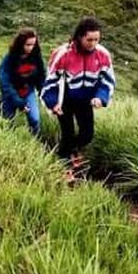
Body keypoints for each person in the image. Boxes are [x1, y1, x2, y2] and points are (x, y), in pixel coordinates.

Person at [40, 17, 116, 182]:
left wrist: (100, 98)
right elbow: (50, 81)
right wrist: (53, 103)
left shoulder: (103, 55)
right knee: (67, 135)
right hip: (65, 100)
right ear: (79, 37)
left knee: (87, 134)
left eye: (97, 39)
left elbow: (108, 80)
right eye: (89, 39)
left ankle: (67, 154)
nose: (93, 43)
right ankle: (63, 169)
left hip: (87, 100)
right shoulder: (63, 54)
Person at [0, 27, 46, 136]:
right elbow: (5, 82)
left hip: (28, 91)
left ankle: (34, 141)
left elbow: (41, 77)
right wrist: (18, 102)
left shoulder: (36, 57)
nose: (30, 48)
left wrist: (44, 94)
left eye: (33, 45)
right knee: (7, 123)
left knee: (35, 120)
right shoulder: (10, 58)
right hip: (11, 94)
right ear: (20, 44)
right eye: (28, 45)